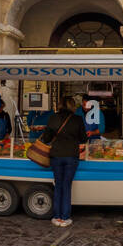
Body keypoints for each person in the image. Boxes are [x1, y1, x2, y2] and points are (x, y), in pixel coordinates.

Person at [45, 96, 85, 227]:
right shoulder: (77, 119)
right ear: (72, 106)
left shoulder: (53, 118)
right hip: (71, 157)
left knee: (58, 185)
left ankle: (56, 217)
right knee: (67, 186)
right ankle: (65, 218)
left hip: (56, 156)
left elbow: (46, 138)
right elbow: (83, 138)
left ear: (60, 105)